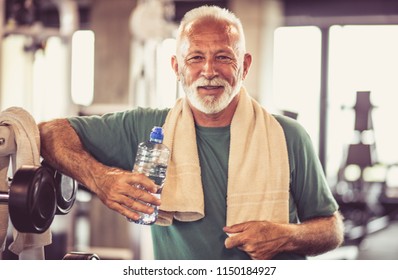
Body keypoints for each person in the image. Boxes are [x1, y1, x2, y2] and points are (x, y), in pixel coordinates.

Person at [39, 5, 344, 260]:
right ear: (177, 68)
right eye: (196, 57)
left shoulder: (288, 135)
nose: (209, 70)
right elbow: (49, 133)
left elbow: (331, 229)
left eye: (223, 57)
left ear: (245, 65)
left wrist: (288, 236)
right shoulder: (146, 127)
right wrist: (100, 179)